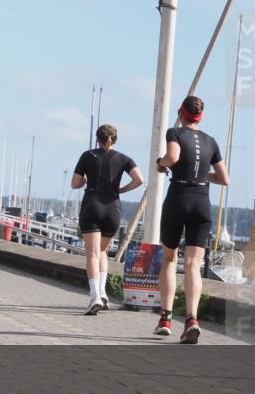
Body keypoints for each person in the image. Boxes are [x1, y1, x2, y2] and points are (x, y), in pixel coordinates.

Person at [153, 96, 229, 343]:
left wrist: (160, 164)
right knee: (193, 265)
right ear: (201, 116)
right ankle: (192, 320)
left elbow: (172, 158)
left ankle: (165, 318)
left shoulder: (174, 132)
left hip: (179, 198)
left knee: (169, 258)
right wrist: (201, 173)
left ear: (180, 113)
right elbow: (224, 178)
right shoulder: (211, 140)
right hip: (202, 202)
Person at [70, 124, 143, 315]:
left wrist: (86, 180)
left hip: (92, 205)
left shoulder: (88, 156)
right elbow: (139, 179)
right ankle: (103, 293)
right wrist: (121, 190)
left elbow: (75, 183)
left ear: (97, 138)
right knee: (102, 251)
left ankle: (94, 296)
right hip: (113, 208)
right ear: (115, 139)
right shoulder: (123, 158)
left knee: (92, 254)